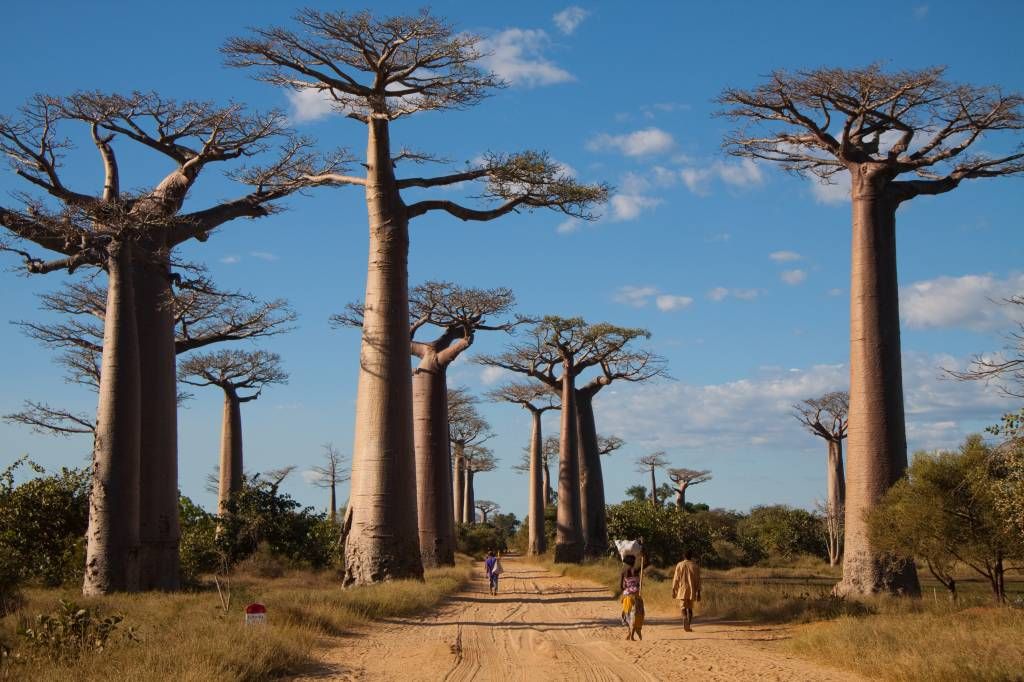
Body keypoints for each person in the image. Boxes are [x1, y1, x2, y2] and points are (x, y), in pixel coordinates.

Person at [672, 549, 702, 632]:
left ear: (683, 556)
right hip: (692, 590)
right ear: (691, 556)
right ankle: (688, 625)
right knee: (690, 608)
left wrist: (674, 589)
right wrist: (698, 592)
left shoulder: (679, 565)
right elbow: (698, 580)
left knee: (683, 607)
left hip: (682, 589)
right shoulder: (695, 566)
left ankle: (684, 617)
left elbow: (676, 578)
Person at [619, 554, 645, 641]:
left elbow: (621, 587)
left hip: (627, 597)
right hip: (636, 596)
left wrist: (627, 588)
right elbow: (647, 563)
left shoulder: (623, 572)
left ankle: (630, 633)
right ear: (633, 562)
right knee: (637, 615)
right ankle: (632, 634)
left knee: (628, 615)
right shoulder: (636, 571)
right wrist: (644, 555)